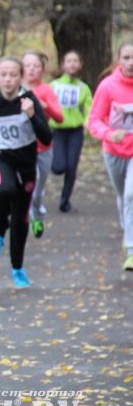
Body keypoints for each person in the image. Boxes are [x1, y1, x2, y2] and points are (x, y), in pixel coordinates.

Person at [0, 57, 52, 288]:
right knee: (5, 188)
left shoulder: (29, 101)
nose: (7, 79)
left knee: (21, 219)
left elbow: (47, 138)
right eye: (3, 74)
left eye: (13, 74)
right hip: (0, 158)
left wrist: (33, 115)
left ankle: (18, 269)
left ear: (20, 77)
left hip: (26, 164)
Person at [87, 42, 133, 270]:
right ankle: (128, 228)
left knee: (131, 195)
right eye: (126, 57)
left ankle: (131, 248)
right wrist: (109, 133)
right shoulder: (108, 87)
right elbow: (93, 120)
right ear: (119, 60)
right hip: (114, 150)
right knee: (122, 194)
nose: (131, 62)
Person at [23, 51, 63, 237]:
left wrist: (42, 105)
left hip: (43, 147)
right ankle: (23, 217)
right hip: (21, 148)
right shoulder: (14, 88)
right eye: (28, 65)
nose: (31, 69)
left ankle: (38, 215)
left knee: (38, 190)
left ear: (42, 70)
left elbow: (59, 117)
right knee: (30, 182)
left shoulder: (46, 90)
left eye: (36, 66)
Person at [50, 50, 92, 213]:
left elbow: (90, 109)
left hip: (75, 131)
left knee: (72, 167)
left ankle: (64, 201)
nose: (72, 64)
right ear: (63, 64)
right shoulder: (54, 86)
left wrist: (88, 123)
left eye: (76, 61)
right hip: (58, 130)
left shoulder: (84, 88)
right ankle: (56, 164)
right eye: (69, 61)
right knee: (59, 167)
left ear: (80, 65)